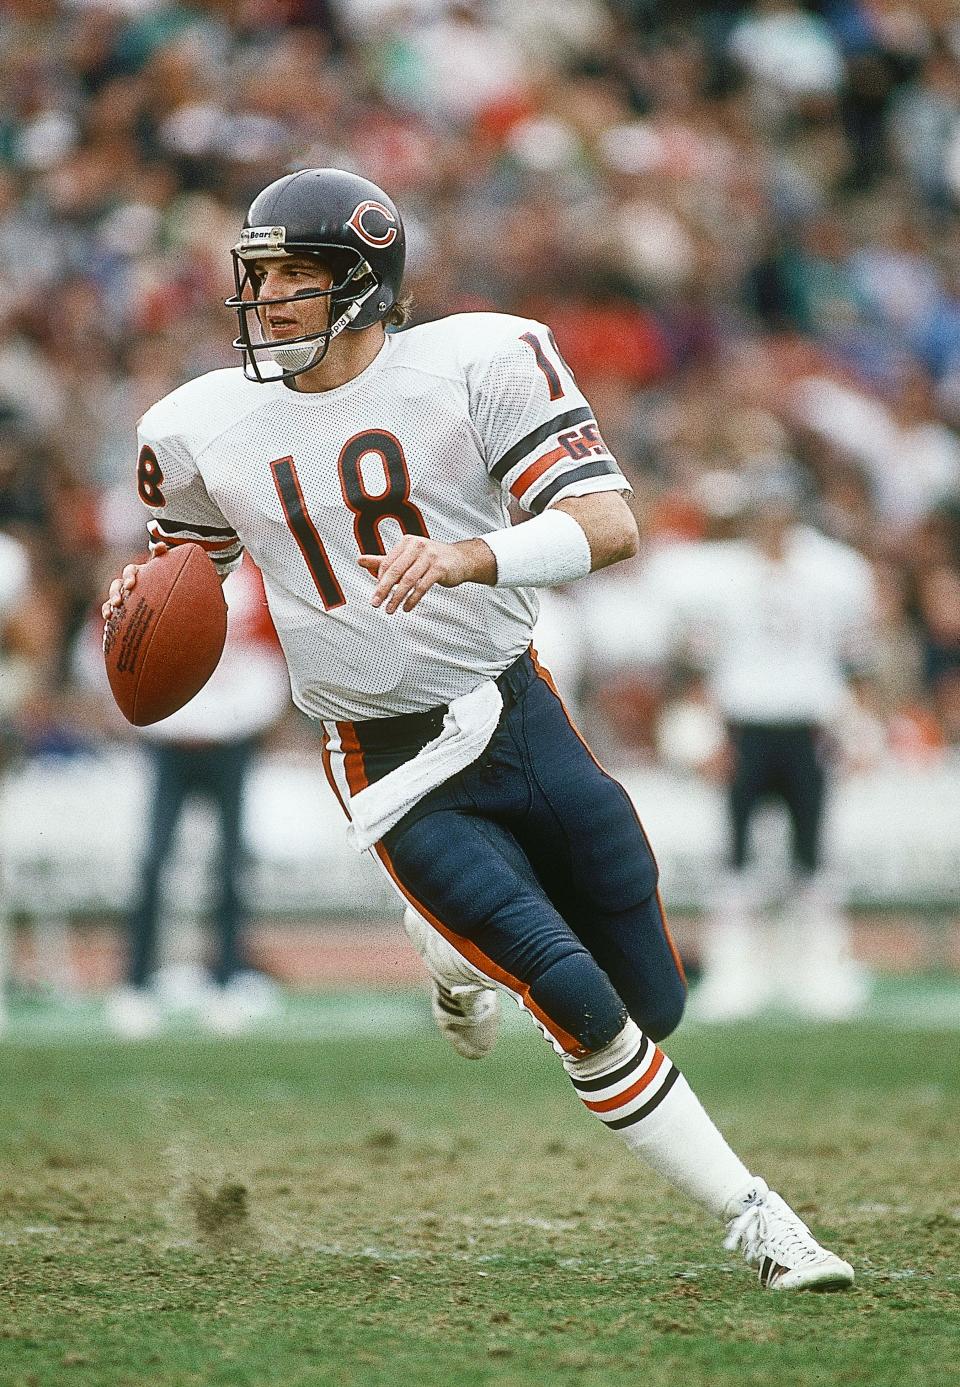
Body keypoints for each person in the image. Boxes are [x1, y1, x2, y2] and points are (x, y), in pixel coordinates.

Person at [104, 167, 853, 1290]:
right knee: (584, 1006)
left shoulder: (480, 360)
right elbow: (193, 569)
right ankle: (761, 1219)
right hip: (389, 763)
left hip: (518, 713)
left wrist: (467, 554)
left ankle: (450, 954)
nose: (267, 302)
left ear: (363, 285)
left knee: (654, 1002)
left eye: (295, 277)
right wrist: (141, 603)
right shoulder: (199, 426)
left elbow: (608, 524)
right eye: (257, 277)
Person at [646, 463, 877, 1021]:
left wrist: (856, 726)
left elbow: (858, 662)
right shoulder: (721, 578)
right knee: (735, 862)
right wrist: (706, 734)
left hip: (808, 726)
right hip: (744, 726)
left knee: (814, 861)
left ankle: (821, 972)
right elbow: (696, 664)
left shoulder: (835, 572)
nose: (772, 522)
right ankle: (735, 973)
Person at [106, 556, 291, 1037]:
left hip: (230, 738)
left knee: (230, 865)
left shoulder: (253, 583)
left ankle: (228, 977)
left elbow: (276, 658)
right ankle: (136, 982)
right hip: (171, 740)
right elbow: (110, 643)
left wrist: (251, 715)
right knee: (154, 861)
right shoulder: (152, 574)